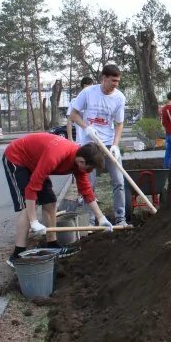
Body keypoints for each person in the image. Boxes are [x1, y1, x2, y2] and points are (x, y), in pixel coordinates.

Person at [3, 133, 113, 265]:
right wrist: (34, 221)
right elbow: (32, 188)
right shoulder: (56, 154)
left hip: (35, 162)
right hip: (17, 157)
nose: (89, 171)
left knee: (50, 202)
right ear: (82, 161)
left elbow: (86, 191)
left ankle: (52, 245)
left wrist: (101, 218)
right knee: (29, 206)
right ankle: (17, 255)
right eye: (90, 168)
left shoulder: (79, 162)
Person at [68, 64, 127, 225]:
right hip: (89, 145)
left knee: (119, 181)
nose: (115, 84)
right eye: (113, 81)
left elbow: (119, 124)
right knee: (89, 183)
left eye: (118, 81)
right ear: (103, 78)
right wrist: (86, 128)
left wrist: (115, 145)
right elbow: (73, 114)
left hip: (108, 144)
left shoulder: (119, 98)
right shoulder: (88, 93)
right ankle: (90, 221)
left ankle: (121, 218)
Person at [67, 76, 94, 142]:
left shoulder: (95, 102)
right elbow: (70, 120)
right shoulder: (75, 101)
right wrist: (70, 138)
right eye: (88, 87)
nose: (90, 90)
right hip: (81, 139)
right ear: (83, 87)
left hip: (95, 138)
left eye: (92, 88)